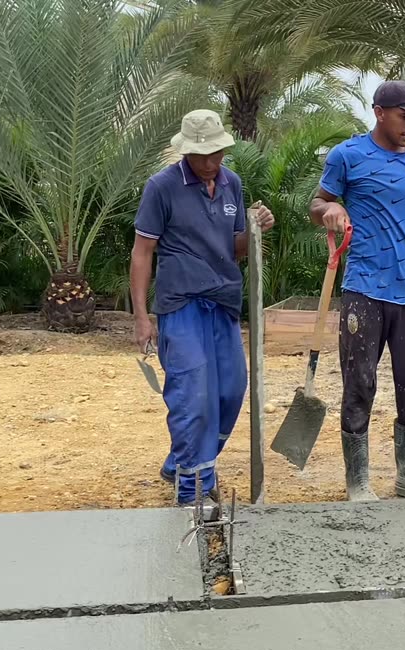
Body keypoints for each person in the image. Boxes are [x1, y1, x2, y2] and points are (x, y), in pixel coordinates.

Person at [309, 80, 405, 502]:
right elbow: (317, 205)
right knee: (361, 383)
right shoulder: (348, 156)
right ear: (380, 113)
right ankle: (358, 482)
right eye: (404, 117)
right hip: (364, 289)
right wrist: (331, 209)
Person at [131, 109, 274, 509]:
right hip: (181, 304)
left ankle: (184, 461)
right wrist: (142, 317)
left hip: (223, 300)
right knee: (193, 394)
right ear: (186, 152)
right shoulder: (162, 187)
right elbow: (143, 252)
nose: (213, 163)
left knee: (230, 391)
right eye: (204, 156)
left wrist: (256, 227)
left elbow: (234, 248)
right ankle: (192, 489)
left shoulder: (232, 184)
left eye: (218, 154)